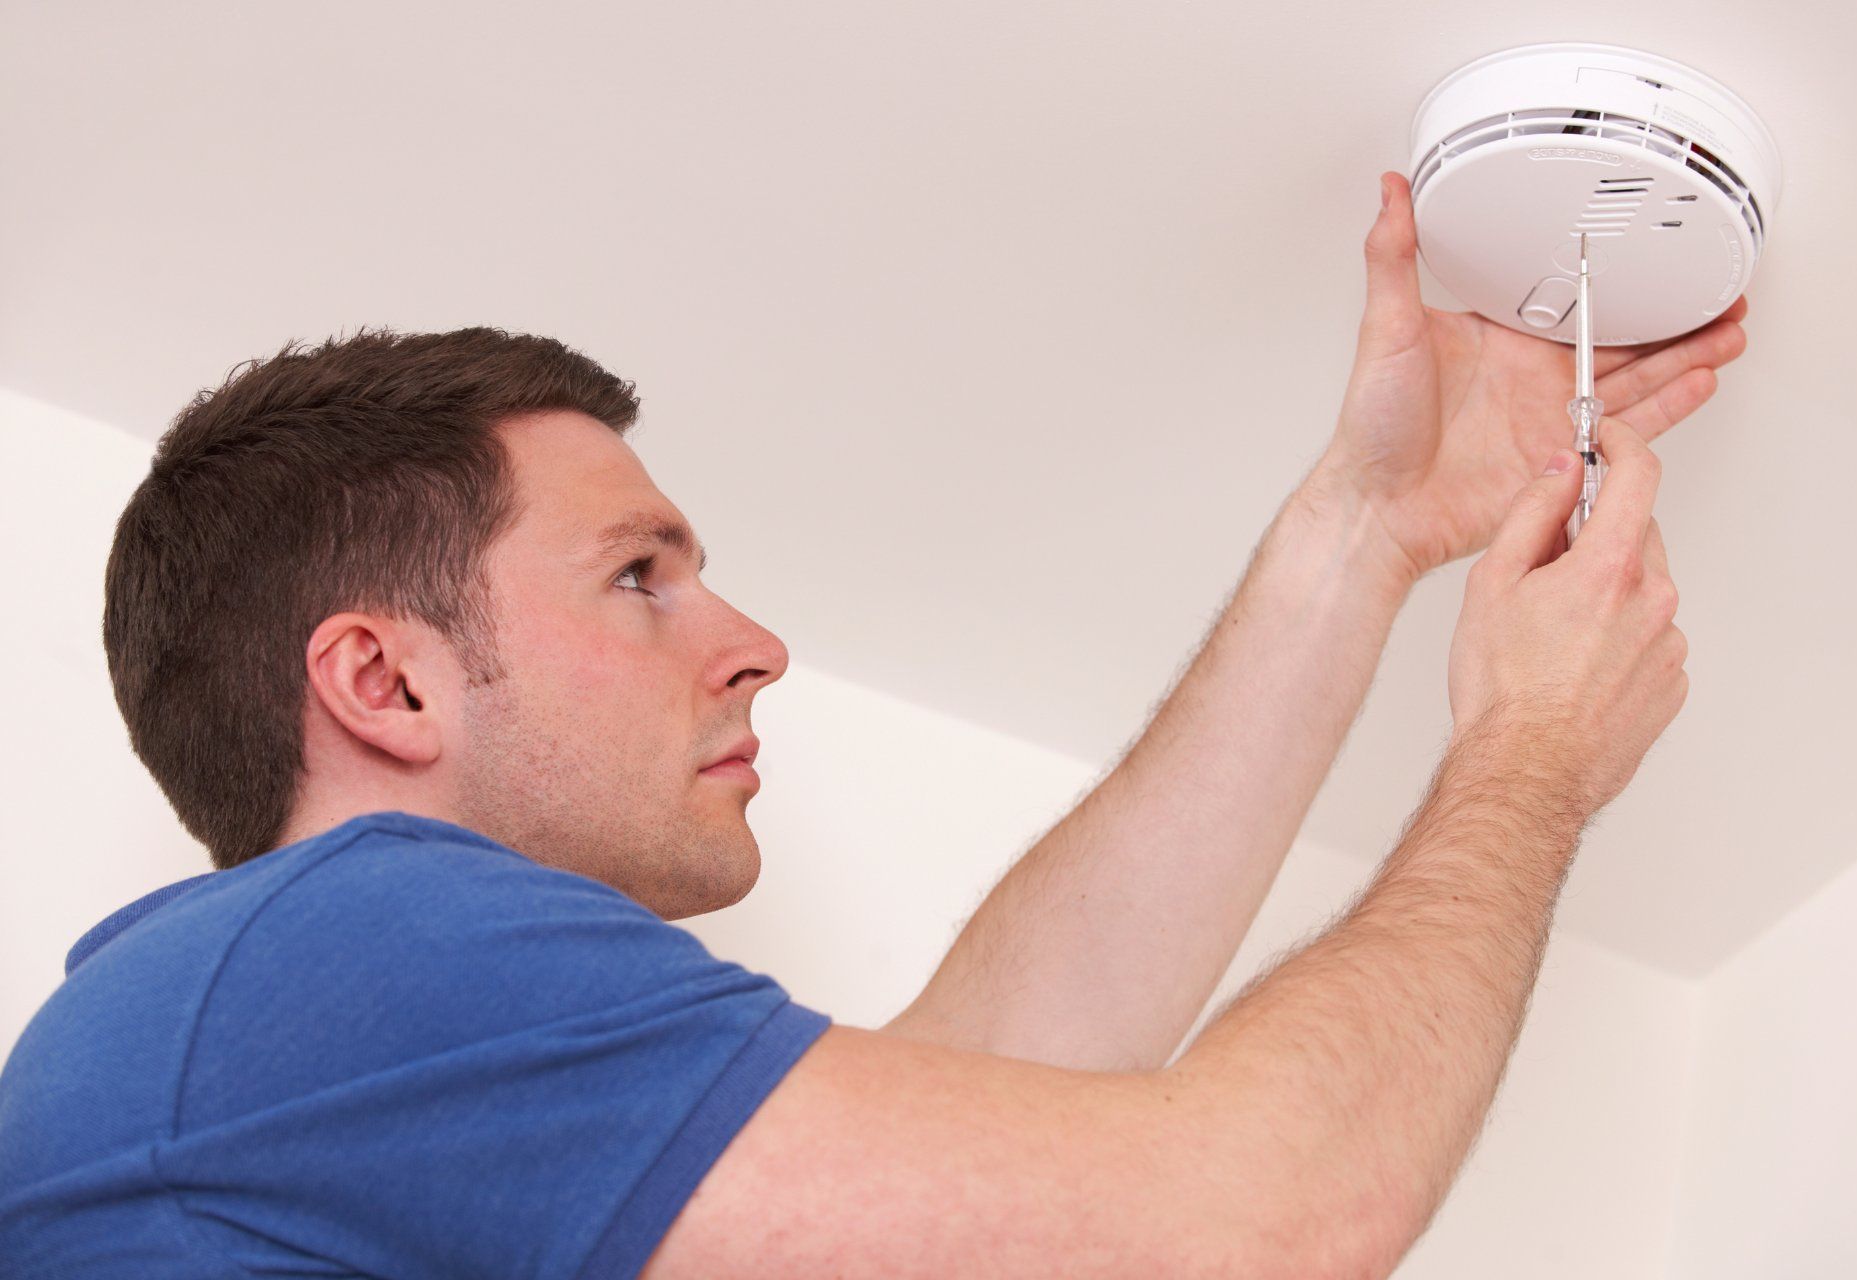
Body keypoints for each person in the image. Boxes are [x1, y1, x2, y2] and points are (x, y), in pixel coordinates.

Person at [0, 171, 1745, 1278]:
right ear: (383, 685)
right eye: (637, 576)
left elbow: (1001, 1096)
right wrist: (1531, 760)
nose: (754, 644)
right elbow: (1245, 1228)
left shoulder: (324, 1066)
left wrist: (1366, 535)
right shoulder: (335, 949)